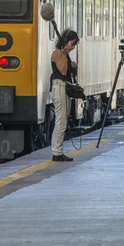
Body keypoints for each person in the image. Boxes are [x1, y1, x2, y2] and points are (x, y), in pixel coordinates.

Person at [50, 29, 79, 161]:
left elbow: (71, 74)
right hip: (59, 86)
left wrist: (74, 66)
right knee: (60, 120)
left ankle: (58, 150)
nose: (73, 48)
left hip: (65, 87)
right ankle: (57, 152)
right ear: (66, 42)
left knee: (63, 120)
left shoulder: (65, 55)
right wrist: (65, 55)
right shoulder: (57, 54)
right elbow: (62, 71)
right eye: (72, 44)